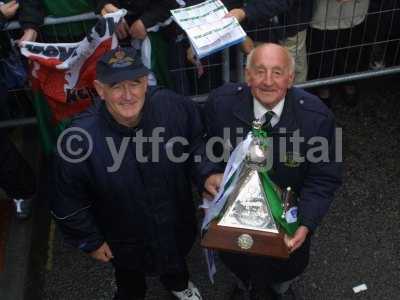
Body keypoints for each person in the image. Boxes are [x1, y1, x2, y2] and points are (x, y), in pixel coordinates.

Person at [50, 47, 206, 300]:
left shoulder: (173, 107)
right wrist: (90, 241)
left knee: (175, 260)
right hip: (121, 237)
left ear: (146, 83)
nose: (127, 95)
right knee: (129, 276)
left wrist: (207, 175)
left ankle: (179, 284)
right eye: (116, 86)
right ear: (100, 90)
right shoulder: (78, 140)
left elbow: (199, 142)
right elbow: (67, 201)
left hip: (174, 222)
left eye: (135, 83)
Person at [202, 43, 342, 299]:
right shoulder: (220, 105)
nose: (268, 81)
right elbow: (201, 145)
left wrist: (306, 223)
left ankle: (280, 289)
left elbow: (323, 178)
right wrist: (209, 173)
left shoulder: (316, 118)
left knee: (286, 268)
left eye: (277, 73)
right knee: (237, 262)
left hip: (287, 221)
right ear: (247, 75)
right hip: (235, 222)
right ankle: (245, 285)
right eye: (260, 71)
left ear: (290, 78)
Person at [226, 0, 314, 83]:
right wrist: (239, 30)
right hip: (254, 27)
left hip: (289, 24)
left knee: (290, 70)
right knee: (259, 72)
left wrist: (243, 14)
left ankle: (293, 95)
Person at [308, 0, 370, 107]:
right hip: (323, 13)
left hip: (353, 11)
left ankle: (349, 81)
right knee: (323, 52)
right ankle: (323, 86)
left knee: (352, 49)